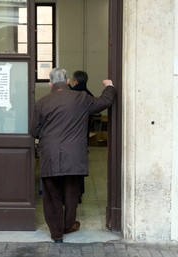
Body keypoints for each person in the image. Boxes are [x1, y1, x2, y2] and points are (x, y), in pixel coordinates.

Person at [31, 68, 116, 243]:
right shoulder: (81, 98)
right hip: (74, 155)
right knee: (71, 192)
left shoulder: (41, 103)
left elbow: (34, 131)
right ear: (68, 81)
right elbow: (105, 101)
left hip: (50, 154)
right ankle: (69, 224)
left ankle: (56, 234)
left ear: (50, 84)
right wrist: (109, 86)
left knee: (51, 194)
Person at [69, 70, 94, 202]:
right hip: (82, 135)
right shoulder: (88, 95)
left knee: (70, 165)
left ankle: (71, 196)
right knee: (80, 163)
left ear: (76, 81)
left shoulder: (72, 94)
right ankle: (79, 192)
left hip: (70, 134)